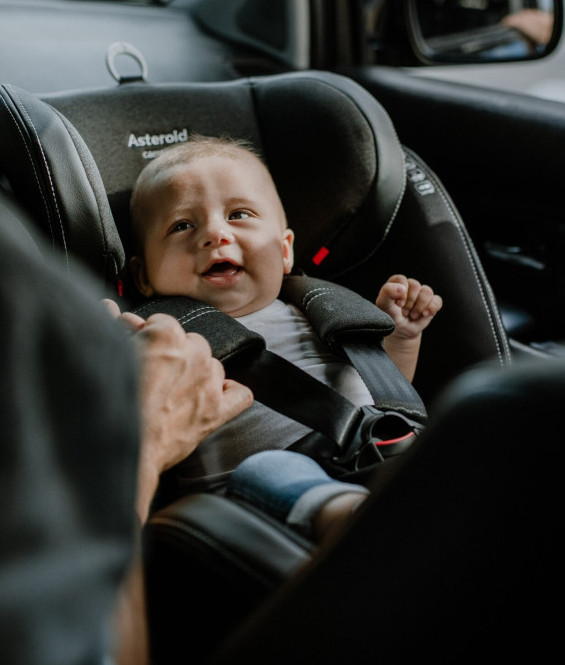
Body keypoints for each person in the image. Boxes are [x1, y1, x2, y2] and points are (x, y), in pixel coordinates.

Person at [110, 134, 442, 534]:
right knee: (271, 467)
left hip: (373, 454)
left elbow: (384, 395)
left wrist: (401, 338)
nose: (215, 234)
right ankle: (347, 518)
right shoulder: (163, 339)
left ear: (285, 251)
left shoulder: (320, 313)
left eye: (239, 215)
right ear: (143, 276)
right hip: (249, 499)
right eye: (182, 225)